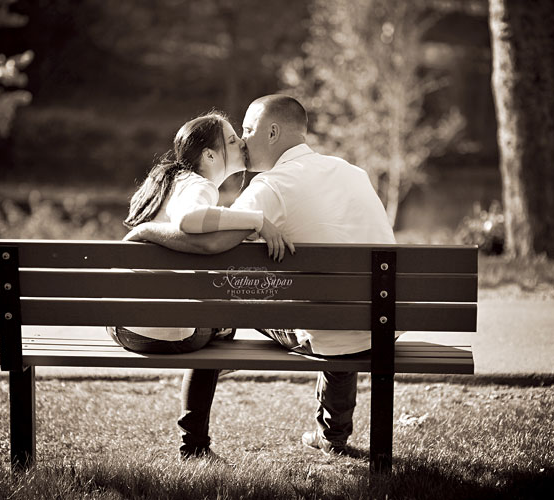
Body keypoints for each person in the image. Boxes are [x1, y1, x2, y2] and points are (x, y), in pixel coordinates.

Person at [127, 95, 397, 459]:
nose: (242, 139)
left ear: (272, 132)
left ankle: (194, 438)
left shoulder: (271, 186)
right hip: (382, 324)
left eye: (248, 130)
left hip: (329, 330)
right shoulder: (352, 172)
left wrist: (148, 232)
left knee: (221, 306)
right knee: (336, 311)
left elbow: (210, 245)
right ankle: (332, 436)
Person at [109, 111, 293, 356]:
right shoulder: (200, 185)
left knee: (217, 315)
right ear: (209, 155)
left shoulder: (172, 181)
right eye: (231, 141)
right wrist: (257, 220)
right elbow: (189, 218)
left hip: (120, 324)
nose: (241, 142)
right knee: (225, 323)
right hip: (160, 333)